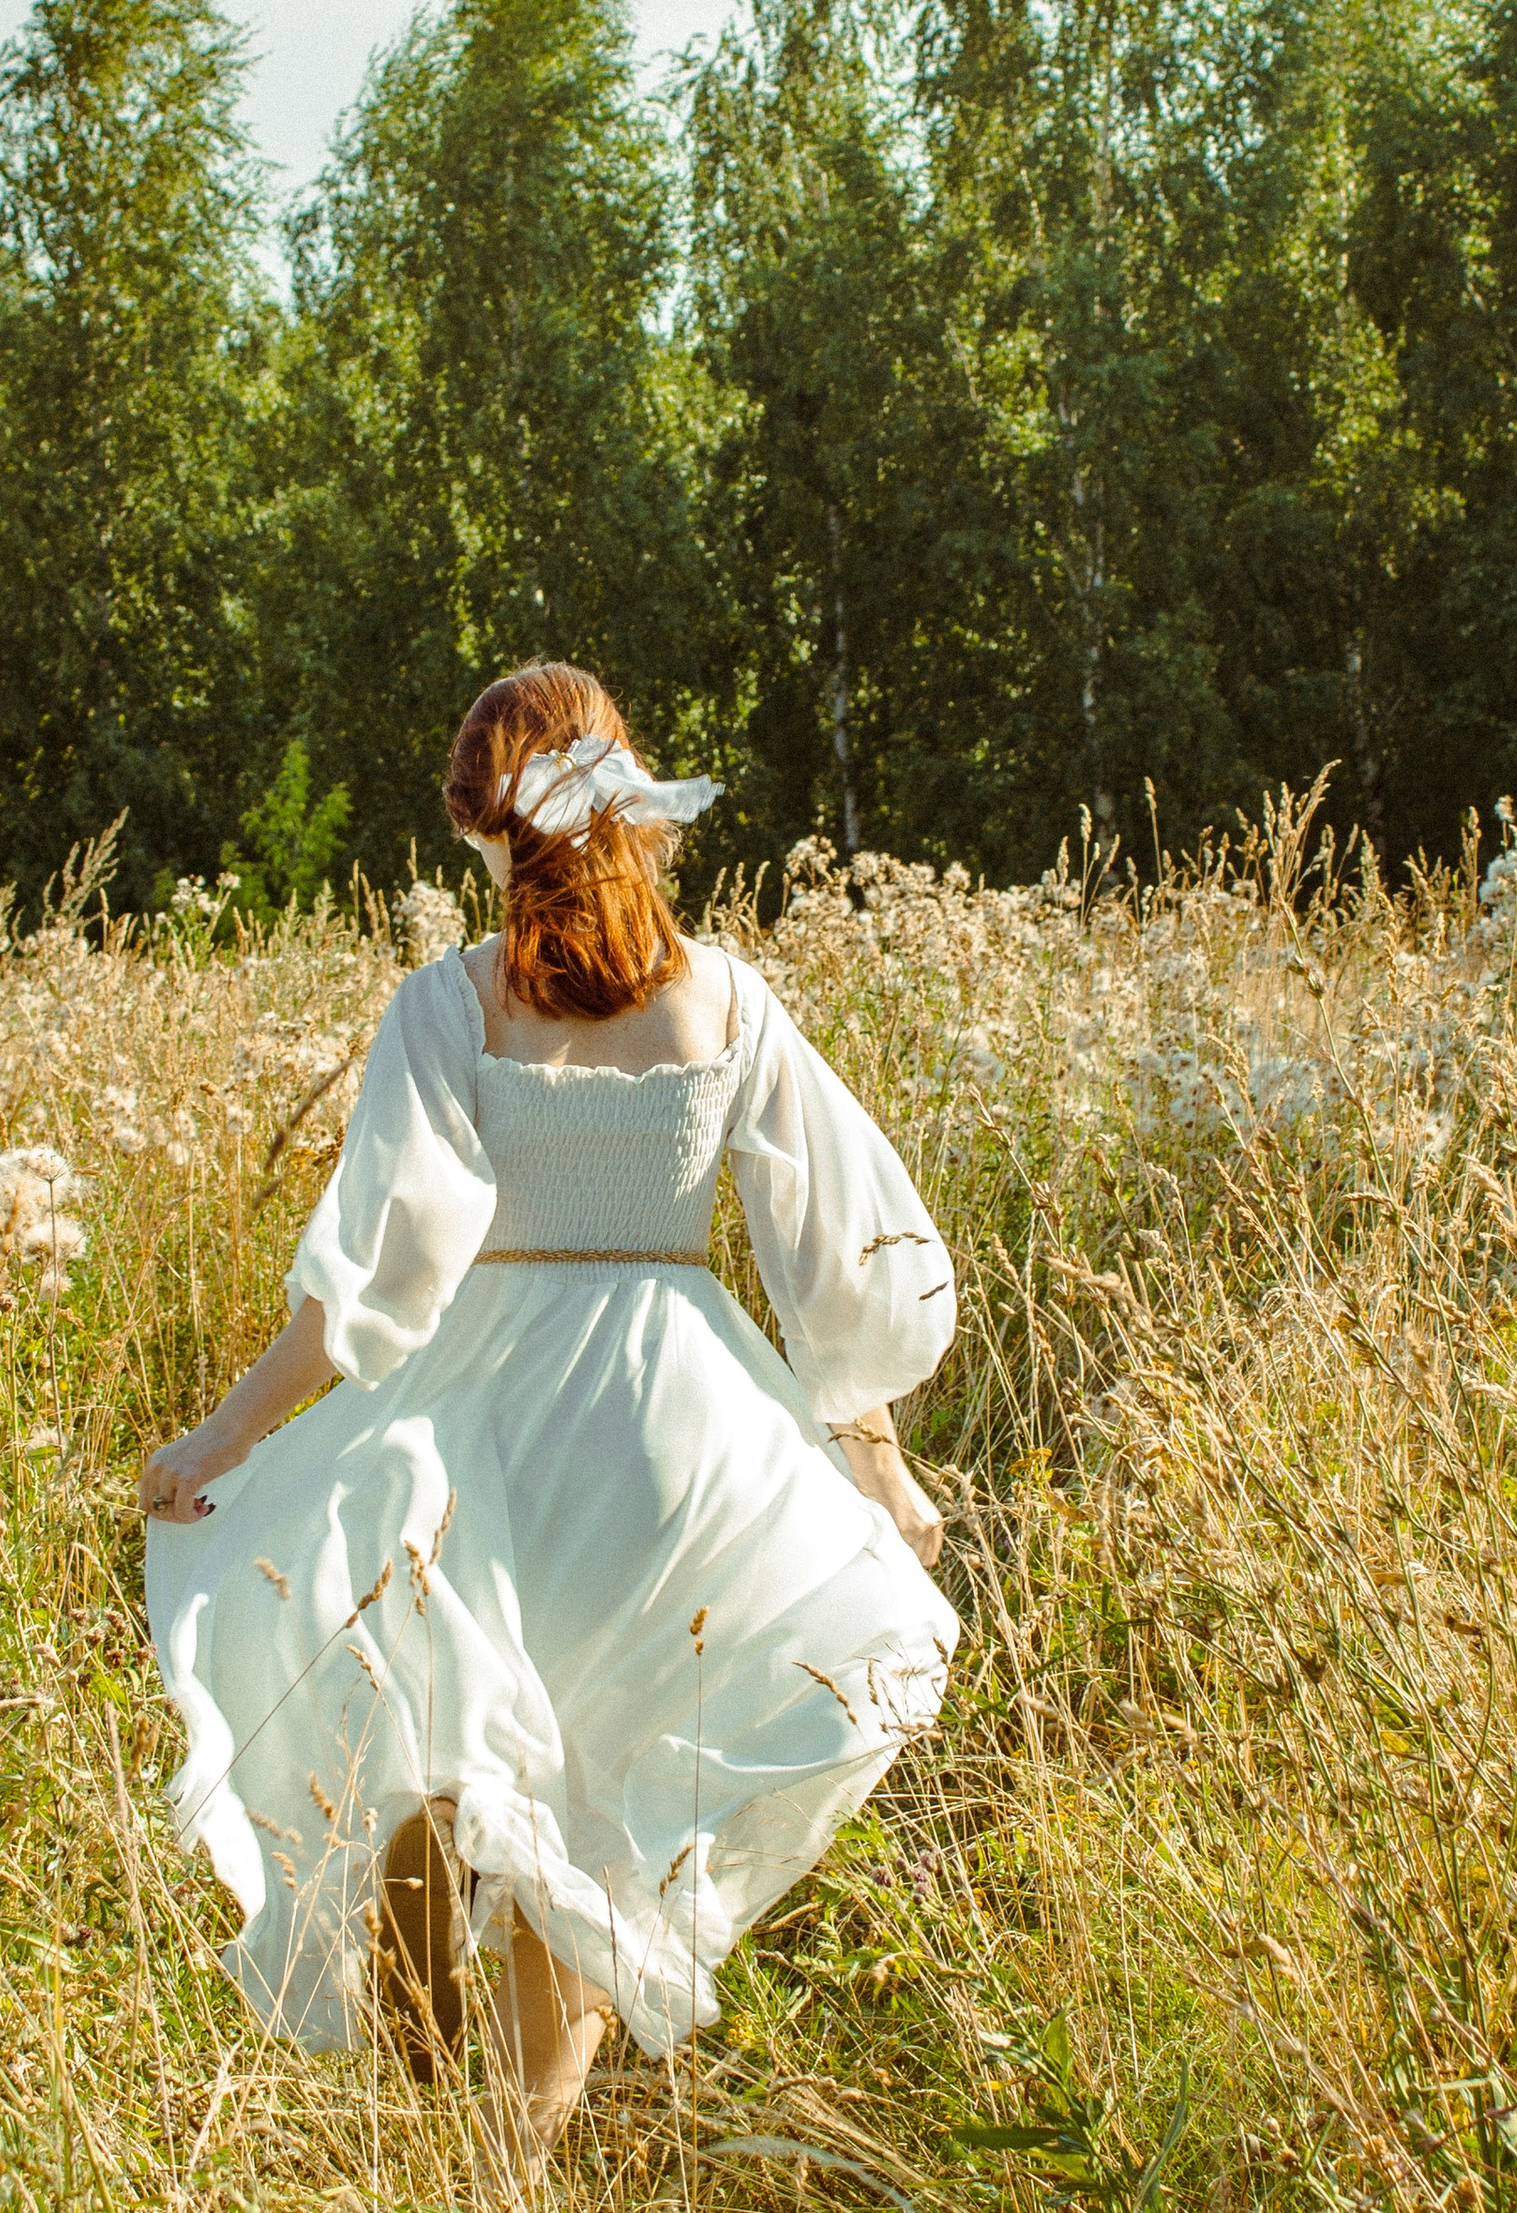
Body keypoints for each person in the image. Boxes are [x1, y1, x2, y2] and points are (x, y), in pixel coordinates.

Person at [140, 661, 957, 2165]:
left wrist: (222, 1438)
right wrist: (880, 1470)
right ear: (629, 802)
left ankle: (421, 2074)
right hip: (680, 1440)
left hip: (487, 1424)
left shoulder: (452, 1005)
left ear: (488, 826)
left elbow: (374, 1281)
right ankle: (515, 2170)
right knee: (587, 1830)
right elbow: (831, 1270)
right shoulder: (727, 1000)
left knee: (430, 1756)